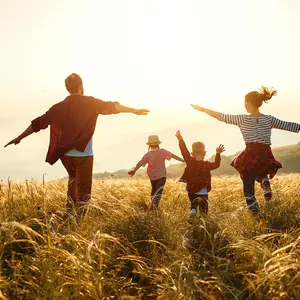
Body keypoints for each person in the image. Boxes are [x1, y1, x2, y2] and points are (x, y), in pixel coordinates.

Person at [5, 73, 149, 217]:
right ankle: (78, 223)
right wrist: (134, 110)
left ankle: (70, 214)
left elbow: (39, 123)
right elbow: (112, 107)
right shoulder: (90, 103)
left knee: (73, 181)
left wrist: (20, 137)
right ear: (81, 87)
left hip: (65, 156)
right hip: (84, 155)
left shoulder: (58, 107)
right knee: (84, 192)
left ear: (68, 88)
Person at [191, 86, 300, 215]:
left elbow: (221, 116)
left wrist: (203, 110)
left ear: (248, 103)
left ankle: (255, 213)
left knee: (248, 189)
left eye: (245, 102)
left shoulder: (243, 119)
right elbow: (291, 126)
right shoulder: (269, 119)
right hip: (265, 153)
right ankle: (264, 180)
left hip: (250, 153)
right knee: (262, 169)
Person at [175, 130, 225, 223]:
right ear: (204, 153)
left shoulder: (189, 161)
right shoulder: (207, 165)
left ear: (191, 153)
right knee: (204, 207)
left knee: (193, 203)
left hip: (191, 189)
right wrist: (218, 154)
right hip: (203, 190)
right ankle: (203, 220)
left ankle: (193, 210)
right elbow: (216, 164)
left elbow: (183, 150)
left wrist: (180, 139)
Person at [128, 135, 184, 209]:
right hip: (161, 175)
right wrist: (183, 160)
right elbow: (173, 156)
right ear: (158, 144)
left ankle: (153, 205)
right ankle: (155, 206)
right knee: (159, 190)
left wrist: (134, 170)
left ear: (149, 145)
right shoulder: (162, 151)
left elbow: (140, 163)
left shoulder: (148, 154)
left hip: (152, 176)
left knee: (154, 190)